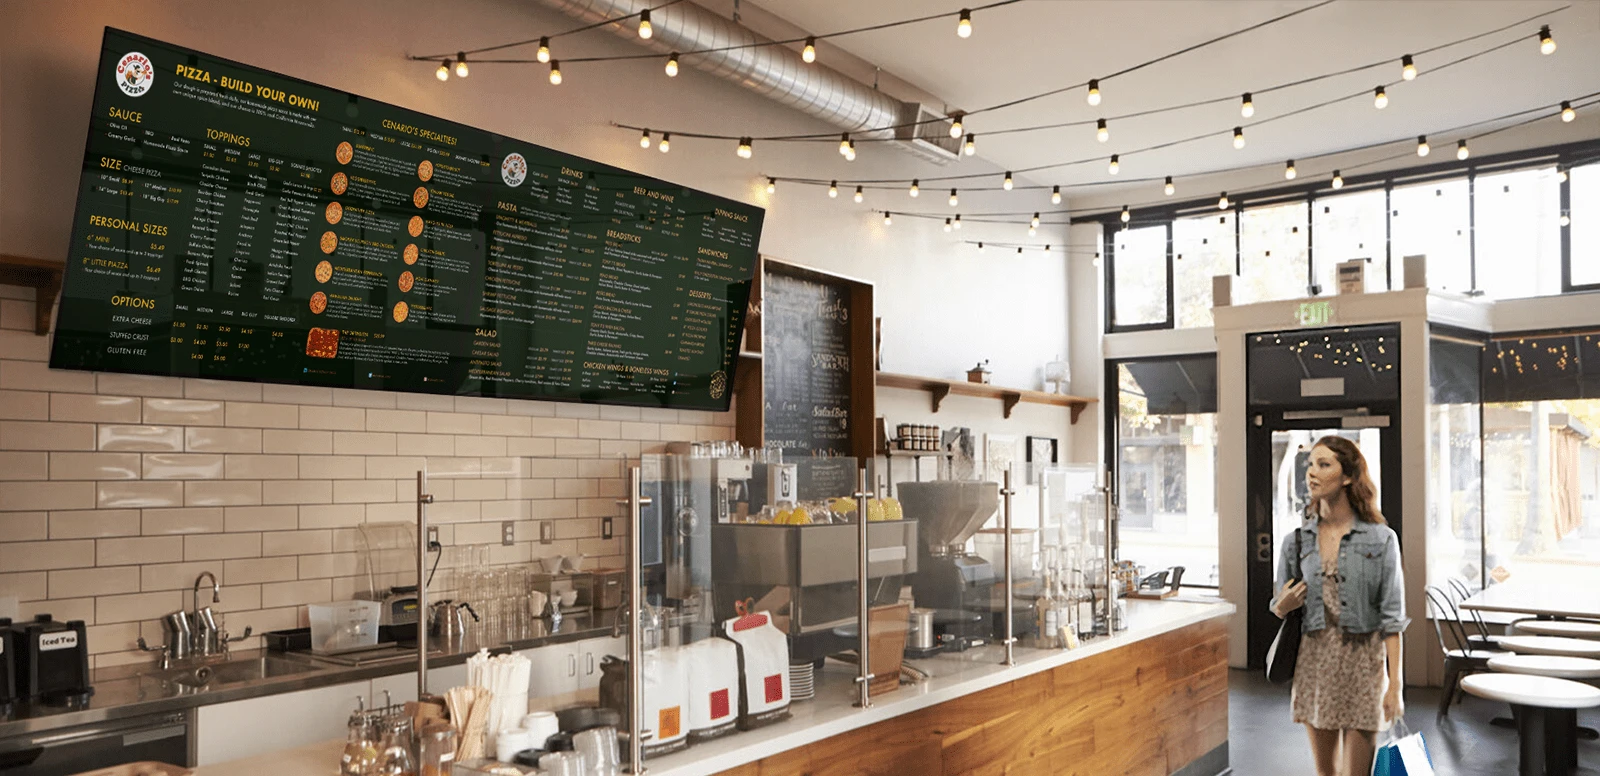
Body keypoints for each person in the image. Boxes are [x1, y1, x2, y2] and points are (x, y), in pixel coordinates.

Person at [1272, 435, 1408, 776]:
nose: (1312, 473)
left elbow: (1392, 619)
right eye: (1310, 465)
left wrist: (1396, 685)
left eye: (1323, 464)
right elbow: (1278, 604)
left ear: (1347, 476)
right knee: (1326, 773)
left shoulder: (1382, 539)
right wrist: (1283, 604)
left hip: (1365, 664)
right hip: (1316, 663)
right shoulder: (1297, 540)